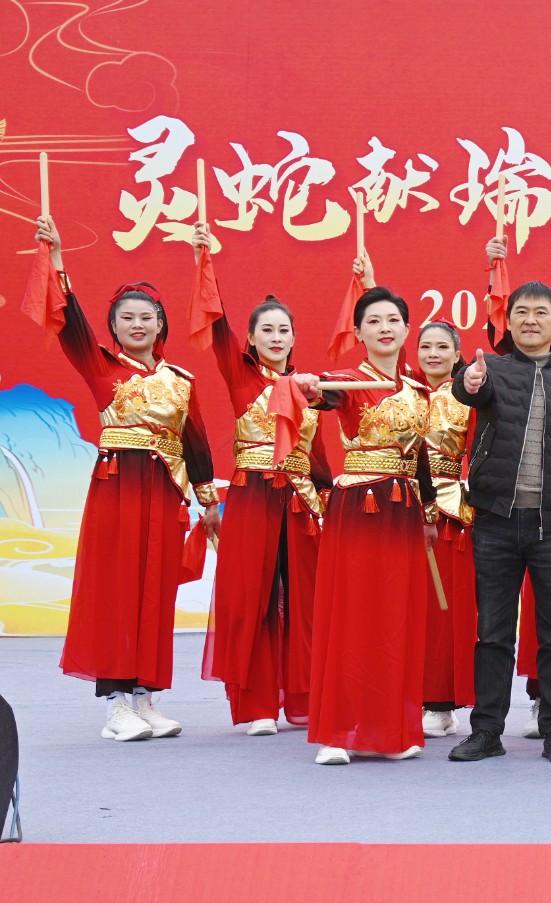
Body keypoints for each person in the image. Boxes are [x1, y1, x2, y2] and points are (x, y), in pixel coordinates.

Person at [35, 217, 219, 741]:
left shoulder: (180, 381)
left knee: (154, 592)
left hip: (163, 494)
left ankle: (146, 696)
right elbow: (70, 324)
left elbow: (196, 442)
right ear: (113, 327)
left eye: (147, 318)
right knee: (116, 588)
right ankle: (116, 705)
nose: (137, 325)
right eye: (126, 318)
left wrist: (208, 501)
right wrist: (57, 260)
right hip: (117, 490)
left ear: (160, 326)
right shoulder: (100, 367)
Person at [446, 280, 551, 764]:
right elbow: (468, 390)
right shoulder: (492, 370)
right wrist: (468, 382)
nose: (530, 320)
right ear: (510, 319)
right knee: (493, 633)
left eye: (541, 312)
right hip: (495, 522)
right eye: (521, 311)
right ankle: (486, 731)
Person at [192, 223, 330, 735]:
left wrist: (329, 500)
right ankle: (257, 706)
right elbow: (216, 322)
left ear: (293, 337)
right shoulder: (241, 374)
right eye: (266, 330)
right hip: (252, 494)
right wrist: (204, 259)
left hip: (299, 499)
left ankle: (303, 698)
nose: (276, 338)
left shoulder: (308, 387)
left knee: (303, 599)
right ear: (250, 339)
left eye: (283, 330)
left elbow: (317, 457)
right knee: (254, 597)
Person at [296, 282, 437, 765]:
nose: (384, 328)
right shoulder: (348, 381)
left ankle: (388, 731)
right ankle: (338, 731)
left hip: (404, 510)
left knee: (396, 618)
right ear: (358, 332)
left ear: (407, 329)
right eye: (373, 321)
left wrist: (430, 513)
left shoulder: (418, 388)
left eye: (392, 320)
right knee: (353, 615)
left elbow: (420, 458)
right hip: (360, 506)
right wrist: (311, 387)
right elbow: (325, 395)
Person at [416, 321, 477, 738]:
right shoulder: (402, 391)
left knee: (443, 610)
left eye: (442, 347)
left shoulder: (468, 398)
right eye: (426, 347)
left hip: (448, 513)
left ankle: (440, 702)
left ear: (457, 355)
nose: (433, 354)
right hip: (400, 507)